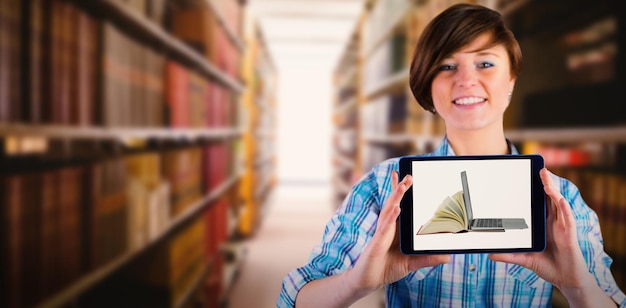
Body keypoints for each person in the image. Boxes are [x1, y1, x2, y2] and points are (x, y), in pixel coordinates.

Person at [278, 3, 626, 307]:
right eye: (446, 66)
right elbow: (294, 299)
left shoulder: (558, 199)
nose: (466, 80)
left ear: (512, 79)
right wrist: (357, 283)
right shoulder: (386, 187)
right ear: (428, 85)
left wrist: (579, 289)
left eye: (485, 64)